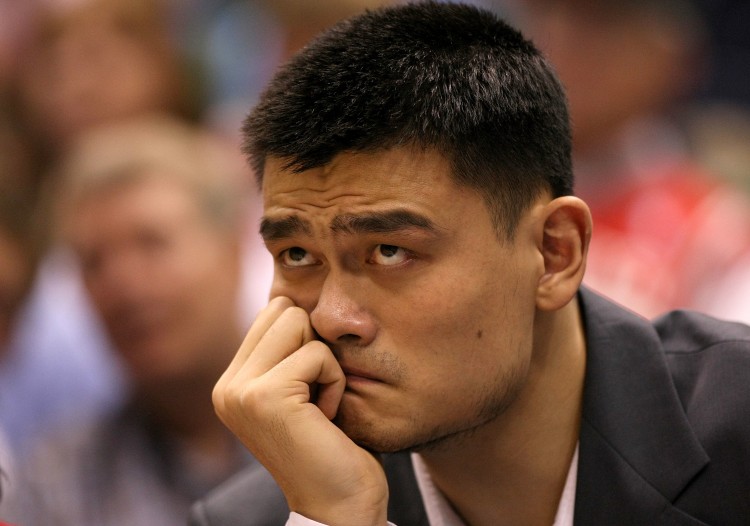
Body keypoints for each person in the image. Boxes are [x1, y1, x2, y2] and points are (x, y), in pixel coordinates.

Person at [192, 3, 750, 525]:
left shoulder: (737, 426)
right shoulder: (276, 514)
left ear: (555, 253)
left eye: (390, 251)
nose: (334, 317)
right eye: (297, 255)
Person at [8, 114, 266, 526]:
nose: (123, 285)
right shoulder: (58, 479)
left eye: (152, 243)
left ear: (233, 252)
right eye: (94, 262)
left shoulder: (338, 429)